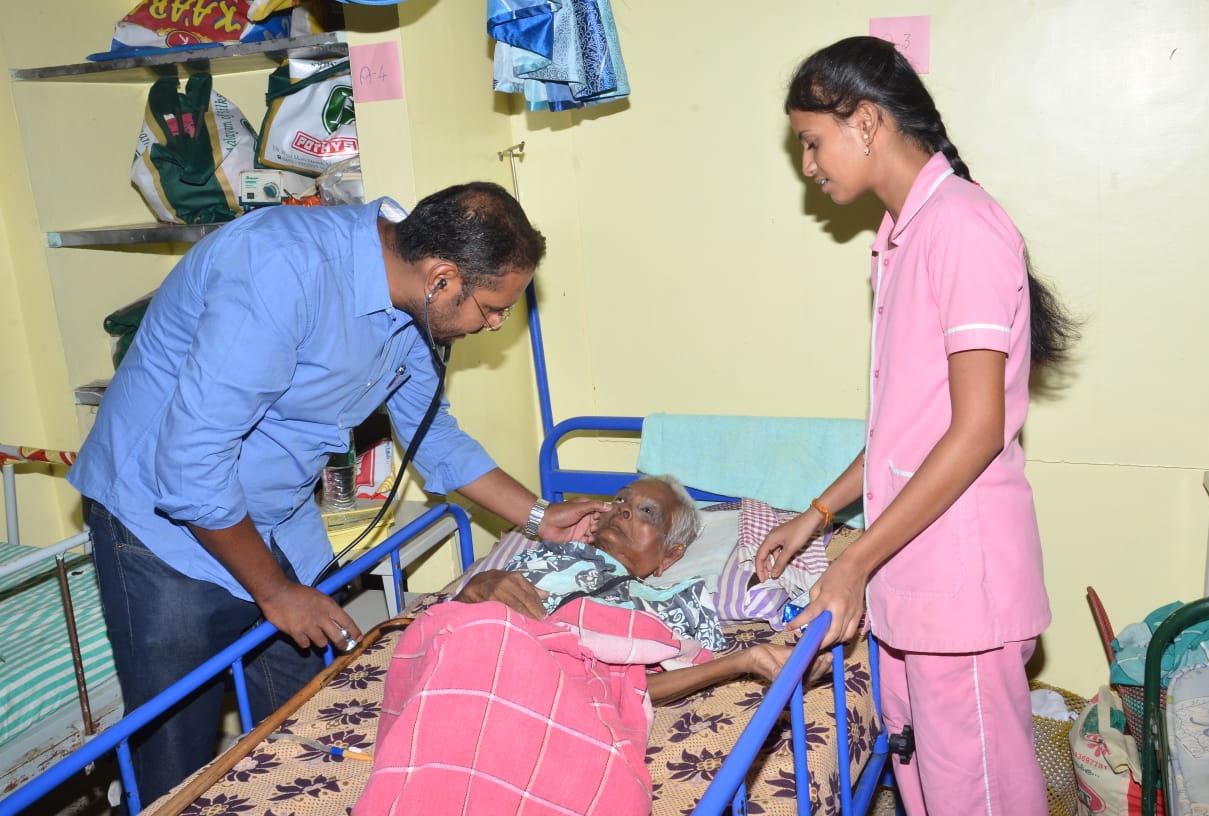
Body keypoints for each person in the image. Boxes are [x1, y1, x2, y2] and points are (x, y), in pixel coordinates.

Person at [68, 182, 607, 806]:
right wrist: (274, 591)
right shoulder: (279, 271)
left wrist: (542, 517)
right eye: (491, 307)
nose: (494, 325)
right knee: (174, 754)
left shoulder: (411, 307)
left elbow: (434, 437)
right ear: (442, 277)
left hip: (273, 516)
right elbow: (191, 469)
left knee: (317, 717)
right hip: (163, 528)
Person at [754, 37, 1078, 815]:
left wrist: (853, 561)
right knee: (925, 782)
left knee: (980, 797)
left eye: (812, 141)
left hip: (960, 591)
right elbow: (911, 427)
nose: (809, 165)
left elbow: (974, 432)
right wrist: (820, 514)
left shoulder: (961, 228)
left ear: (865, 122)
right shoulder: (902, 236)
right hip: (916, 581)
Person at [354, 475, 829, 816]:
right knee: (483, 635)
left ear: (670, 554)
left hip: (565, 687)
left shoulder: (672, 603)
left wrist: (742, 661)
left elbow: (638, 683)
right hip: (483, 650)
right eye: (620, 501)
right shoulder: (537, 559)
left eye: (646, 512)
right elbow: (452, 626)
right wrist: (478, 586)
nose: (623, 509)